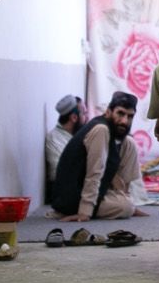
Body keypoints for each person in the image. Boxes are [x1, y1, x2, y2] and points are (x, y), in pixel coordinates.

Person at [47, 92, 148, 222]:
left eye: (130, 116)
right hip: (73, 197)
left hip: (94, 190)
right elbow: (94, 173)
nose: (124, 121)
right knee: (125, 207)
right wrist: (85, 212)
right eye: (120, 113)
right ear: (108, 112)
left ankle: (126, 199)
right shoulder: (101, 129)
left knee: (129, 143)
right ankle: (124, 204)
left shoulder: (110, 131)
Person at [45, 94, 84, 198]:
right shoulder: (54, 138)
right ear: (74, 118)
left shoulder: (75, 136)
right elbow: (63, 173)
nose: (87, 118)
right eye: (84, 113)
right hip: (65, 194)